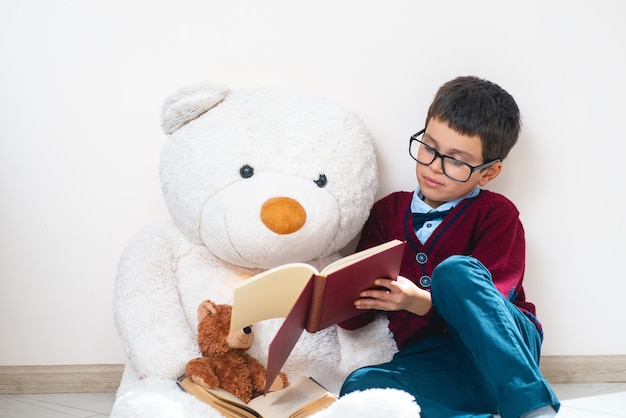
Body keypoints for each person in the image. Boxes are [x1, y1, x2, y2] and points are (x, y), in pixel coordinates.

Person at [339, 76, 560, 418]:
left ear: (488, 173)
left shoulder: (496, 214)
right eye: (429, 147)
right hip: (436, 363)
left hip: (507, 350)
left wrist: (420, 303)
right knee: (361, 388)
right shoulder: (387, 213)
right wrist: (332, 300)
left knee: (455, 272)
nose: (434, 167)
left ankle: (532, 406)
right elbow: (357, 317)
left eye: (456, 161)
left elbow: (491, 303)